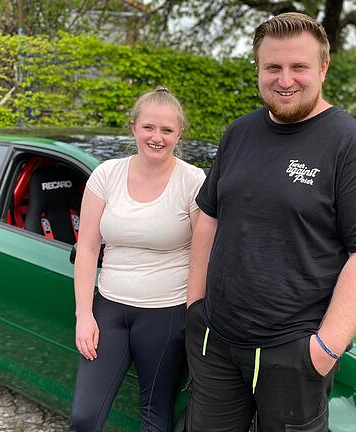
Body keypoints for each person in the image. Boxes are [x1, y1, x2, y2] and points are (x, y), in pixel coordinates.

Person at [185, 12, 356, 432]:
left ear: (322, 67)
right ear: (259, 69)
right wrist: (196, 309)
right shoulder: (239, 133)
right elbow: (208, 218)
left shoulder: (351, 147)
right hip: (216, 340)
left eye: (298, 66)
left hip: (292, 353)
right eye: (273, 67)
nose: (285, 79)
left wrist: (324, 350)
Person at [70, 87, 206, 432]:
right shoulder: (106, 175)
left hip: (167, 314)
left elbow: (203, 256)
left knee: (154, 414)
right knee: (85, 416)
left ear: (179, 134)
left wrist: (192, 316)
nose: (156, 137)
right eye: (148, 127)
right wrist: (84, 315)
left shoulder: (193, 181)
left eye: (166, 130)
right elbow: (87, 248)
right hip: (109, 310)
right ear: (133, 128)